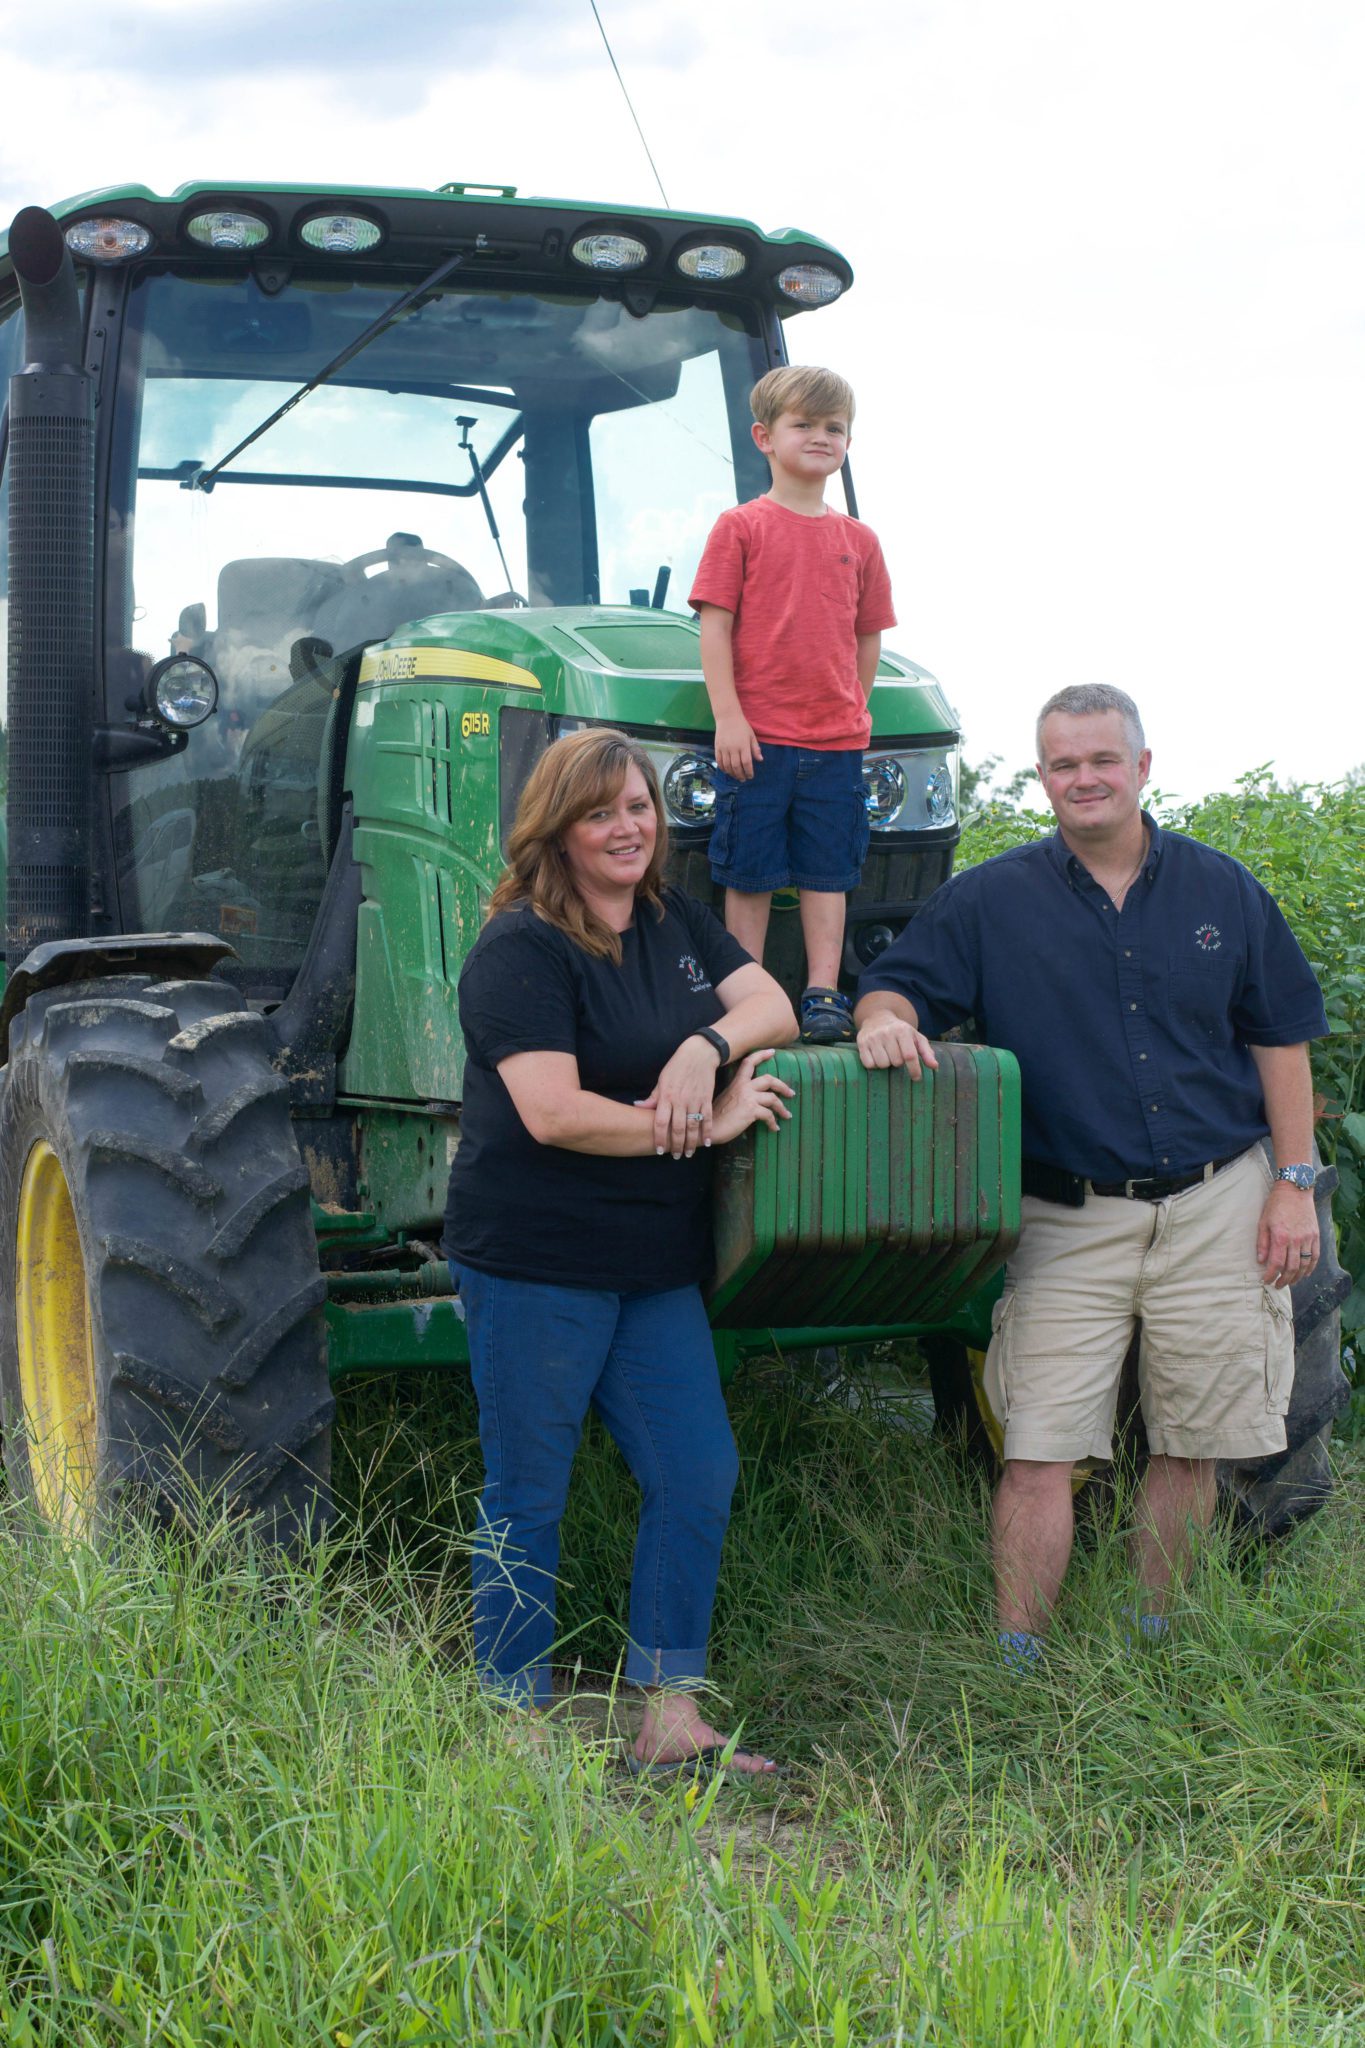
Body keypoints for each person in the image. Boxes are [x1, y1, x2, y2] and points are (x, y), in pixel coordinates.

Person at [853, 684, 1328, 1665]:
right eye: (1063, 764)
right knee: (1037, 1448)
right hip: (1069, 1214)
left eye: (1102, 760)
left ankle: (1153, 1640)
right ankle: (1017, 1658)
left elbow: (1281, 1039)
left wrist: (1295, 1179)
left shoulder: (1223, 889)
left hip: (1219, 1200)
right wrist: (884, 1017)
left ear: (1143, 767)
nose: (1085, 779)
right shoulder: (991, 900)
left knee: (1192, 1442)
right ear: (1043, 778)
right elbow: (897, 980)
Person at [442, 726, 798, 1773]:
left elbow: (770, 1000)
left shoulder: (672, 921)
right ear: (559, 829)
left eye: (639, 805)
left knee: (697, 1471)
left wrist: (707, 1043)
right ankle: (512, 1720)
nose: (628, 826)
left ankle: (668, 1710)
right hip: (535, 1256)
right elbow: (552, 1112)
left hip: (649, 1260)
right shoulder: (520, 950)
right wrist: (708, 1122)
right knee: (528, 1491)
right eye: (602, 811)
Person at [689, 365, 896, 1046]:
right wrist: (729, 717)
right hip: (757, 739)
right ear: (763, 437)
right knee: (747, 872)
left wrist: (851, 710)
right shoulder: (740, 527)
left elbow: (866, 637)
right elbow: (713, 626)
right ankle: (747, 994)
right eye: (803, 424)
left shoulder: (859, 541)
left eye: (833, 427)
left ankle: (821, 994)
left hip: (834, 743)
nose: (820, 436)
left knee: (826, 870)